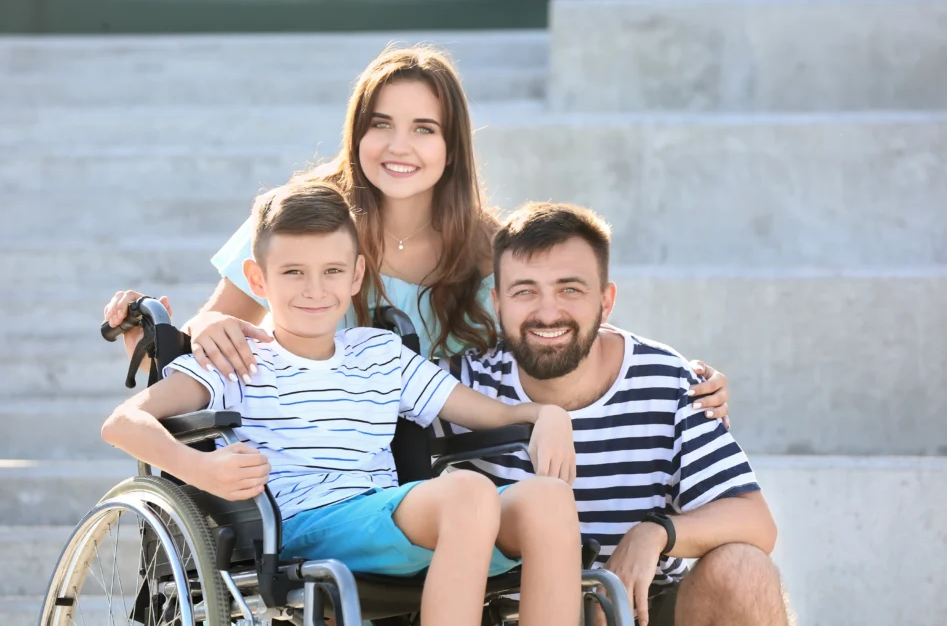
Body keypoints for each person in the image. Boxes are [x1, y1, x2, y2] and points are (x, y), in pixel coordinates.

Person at [104, 43, 734, 422]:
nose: (398, 147)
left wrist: (683, 377)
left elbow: (557, 322)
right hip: (311, 447)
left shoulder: (490, 249)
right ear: (358, 133)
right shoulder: (301, 220)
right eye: (382, 124)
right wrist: (196, 328)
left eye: (424, 129)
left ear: (452, 147)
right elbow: (213, 327)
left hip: (451, 460)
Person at [100, 183, 584, 626]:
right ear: (258, 279)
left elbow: (495, 415)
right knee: (468, 492)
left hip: (388, 518)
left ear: (355, 275)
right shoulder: (236, 361)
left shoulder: (379, 352)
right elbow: (124, 423)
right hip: (301, 526)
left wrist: (549, 414)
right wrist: (199, 469)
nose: (315, 289)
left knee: (548, 500)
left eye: (332, 271)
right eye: (293, 272)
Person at [440, 202, 790, 626]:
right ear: (497, 302)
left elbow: (755, 520)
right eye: (525, 290)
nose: (548, 312)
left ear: (606, 301)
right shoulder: (464, 386)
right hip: (510, 613)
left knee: (743, 568)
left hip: (645, 607)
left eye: (570, 289)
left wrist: (656, 532)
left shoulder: (669, 381)